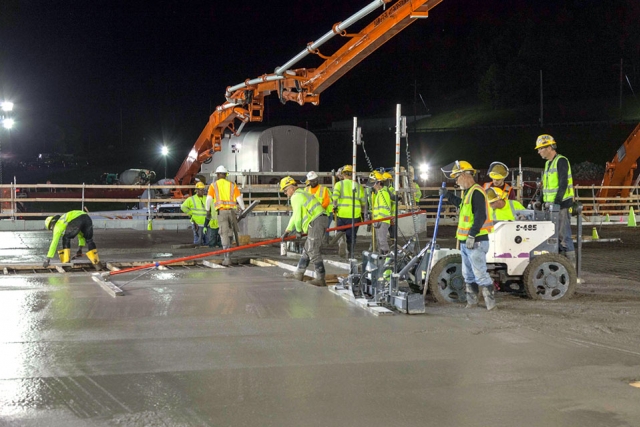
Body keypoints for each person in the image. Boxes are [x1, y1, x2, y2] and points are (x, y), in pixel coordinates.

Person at [439, 161, 496, 310]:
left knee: (480, 274)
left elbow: (480, 216)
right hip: (467, 242)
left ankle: (491, 305)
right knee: (468, 274)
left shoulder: (476, 192)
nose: (456, 182)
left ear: (464, 175)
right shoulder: (469, 193)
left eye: (457, 178)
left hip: (476, 241)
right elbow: (461, 205)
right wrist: (448, 196)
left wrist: (471, 235)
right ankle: (472, 302)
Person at [280, 176, 329, 286]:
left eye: (285, 190)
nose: (285, 193)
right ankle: (298, 274)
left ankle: (320, 279)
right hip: (318, 220)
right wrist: (287, 230)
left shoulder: (296, 197)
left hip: (316, 221)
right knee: (307, 250)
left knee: (312, 250)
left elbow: (297, 216)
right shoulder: (301, 194)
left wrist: (298, 230)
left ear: (291, 188)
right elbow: (295, 216)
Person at [535, 134, 575, 263]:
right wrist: (539, 200)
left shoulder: (561, 161)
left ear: (549, 147)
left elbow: (563, 184)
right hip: (550, 206)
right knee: (552, 236)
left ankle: (571, 268)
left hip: (561, 206)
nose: (539, 151)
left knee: (564, 236)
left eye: (541, 148)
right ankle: (558, 263)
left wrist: (557, 203)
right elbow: (544, 185)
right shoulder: (548, 164)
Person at [205, 165, 245, 266]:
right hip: (232, 212)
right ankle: (229, 252)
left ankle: (227, 258)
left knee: (224, 233)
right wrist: (243, 208)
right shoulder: (232, 185)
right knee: (230, 232)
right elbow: (239, 198)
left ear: (218, 175)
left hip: (221, 212)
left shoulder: (213, 185)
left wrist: (207, 210)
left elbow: (209, 199)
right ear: (226, 175)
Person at [332, 165, 366, 259]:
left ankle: (341, 241)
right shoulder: (358, 186)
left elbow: (335, 198)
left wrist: (334, 207)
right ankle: (351, 254)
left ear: (343, 174)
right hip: (354, 215)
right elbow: (363, 202)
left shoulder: (339, 184)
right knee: (352, 237)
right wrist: (363, 214)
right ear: (353, 175)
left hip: (342, 213)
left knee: (339, 232)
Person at [368, 171, 392, 254]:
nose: (373, 186)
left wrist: (379, 220)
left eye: (374, 183)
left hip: (382, 221)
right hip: (379, 221)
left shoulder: (383, 193)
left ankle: (387, 258)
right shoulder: (379, 194)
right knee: (379, 241)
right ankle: (382, 258)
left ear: (379, 183)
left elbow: (383, 210)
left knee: (382, 241)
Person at [305, 171, 332, 242]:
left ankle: (324, 243)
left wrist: (318, 211)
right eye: (312, 181)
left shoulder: (323, 189)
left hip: (323, 214)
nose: (314, 182)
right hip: (311, 216)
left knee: (323, 231)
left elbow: (326, 202)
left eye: (315, 180)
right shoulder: (306, 190)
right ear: (309, 181)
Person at [181, 182, 209, 246]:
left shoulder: (206, 198)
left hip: (206, 223)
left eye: (203, 190)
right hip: (197, 223)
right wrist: (191, 213)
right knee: (198, 242)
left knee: (207, 242)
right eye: (200, 190)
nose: (202, 191)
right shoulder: (191, 199)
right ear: (196, 190)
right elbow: (183, 207)